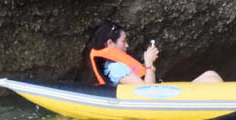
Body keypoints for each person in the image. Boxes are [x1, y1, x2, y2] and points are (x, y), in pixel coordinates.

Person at [86, 20, 222, 86]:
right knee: (212, 80)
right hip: (156, 100)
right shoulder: (114, 68)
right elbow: (148, 91)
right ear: (110, 44)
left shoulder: (116, 64)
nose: (127, 45)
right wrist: (149, 63)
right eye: (124, 41)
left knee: (210, 75)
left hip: (162, 93)